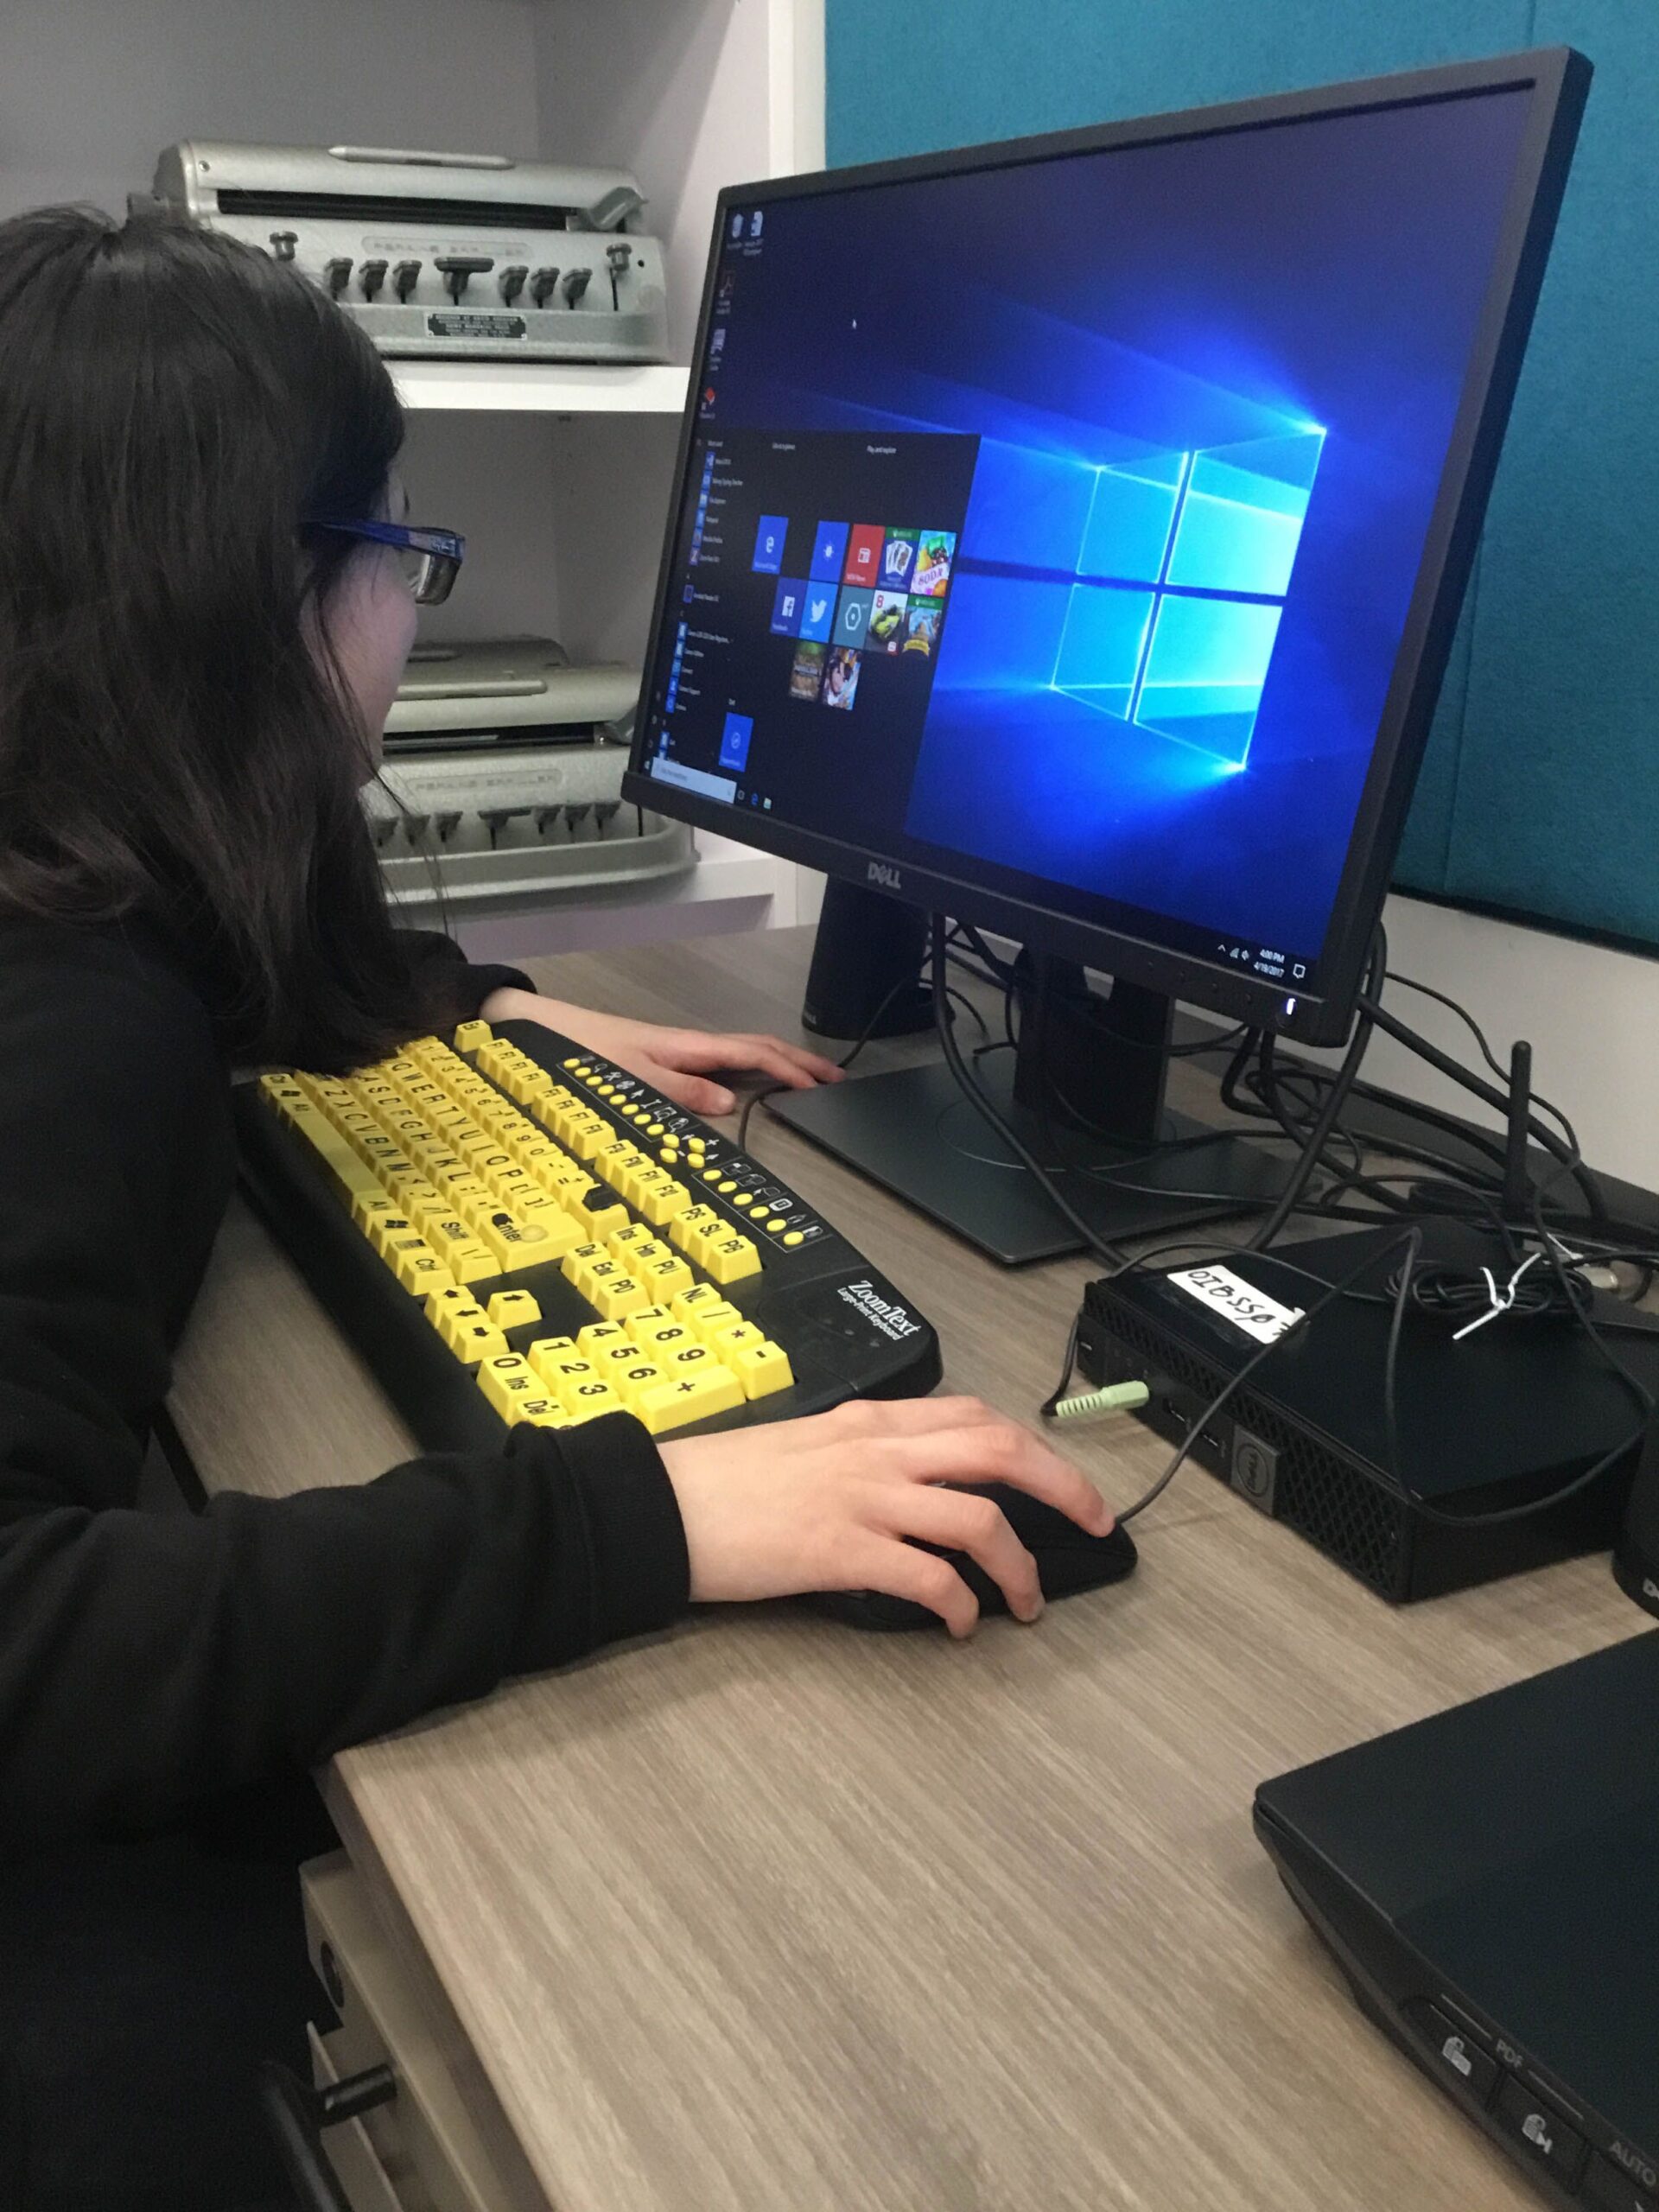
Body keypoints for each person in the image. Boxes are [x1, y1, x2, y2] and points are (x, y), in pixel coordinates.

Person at [0, 207, 1111, 2210]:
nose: (410, 619)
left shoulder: (63, 880)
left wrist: (487, 1009)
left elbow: (220, 956)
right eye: (400, 556)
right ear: (250, 617)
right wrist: (656, 1511)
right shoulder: (66, 1032)